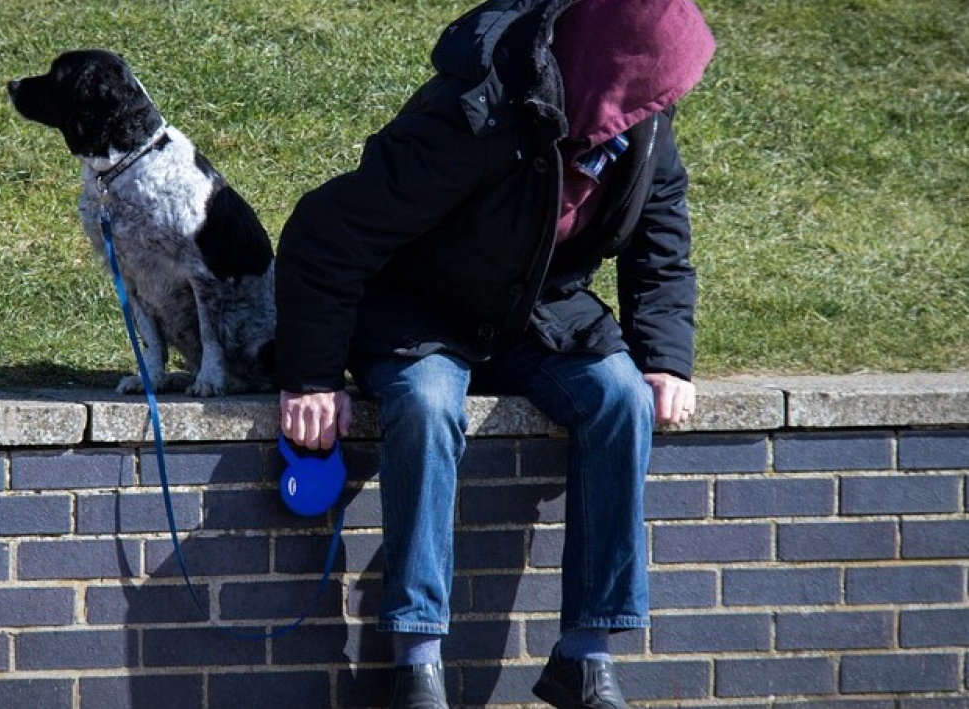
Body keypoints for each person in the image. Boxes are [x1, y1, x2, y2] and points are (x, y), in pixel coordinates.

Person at [275, 0, 715, 707]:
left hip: (535, 310)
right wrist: (311, 377)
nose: (661, 103)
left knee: (623, 399)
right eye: (652, 84)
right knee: (425, 403)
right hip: (419, 305)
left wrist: (665, 356)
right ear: (610, 68)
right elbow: (328, 233)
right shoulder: (478, 112)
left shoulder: (644, 123)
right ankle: (417, 660)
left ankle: (585, 654)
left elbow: (661, 242)